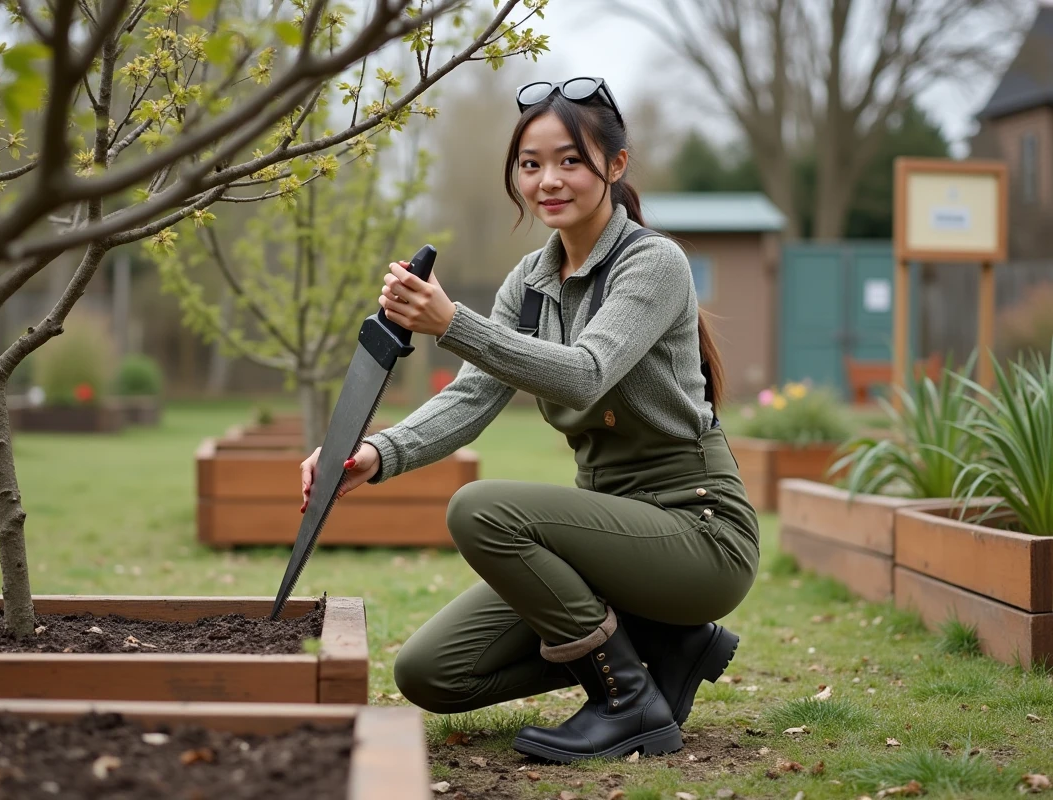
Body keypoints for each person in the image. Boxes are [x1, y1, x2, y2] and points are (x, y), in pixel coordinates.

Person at [300, 76, 760, 763]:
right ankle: (664, 644)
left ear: (615, 165)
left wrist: (453, 322)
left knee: (482, 510)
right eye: (531, 163)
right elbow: (471, 397)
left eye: (570, 160)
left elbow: (585, 371)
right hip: (610, 536)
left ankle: (626, 700)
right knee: (431, 673)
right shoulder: (530, 282)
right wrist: (376, 453)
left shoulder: (654, 263)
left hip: (698, 533)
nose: (548, 179)